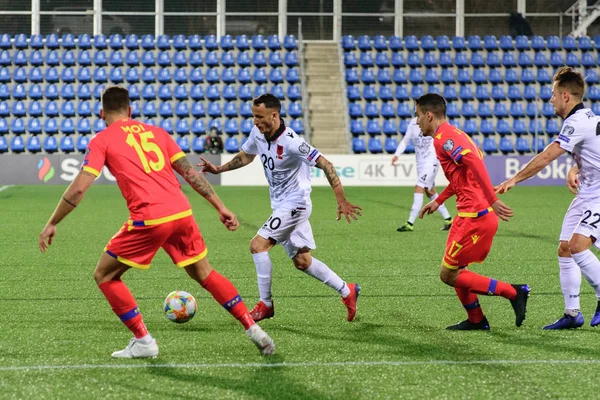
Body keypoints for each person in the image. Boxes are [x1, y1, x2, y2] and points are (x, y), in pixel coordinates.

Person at [38, 86, 275, 358]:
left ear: (102, 113)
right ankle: (252, 328)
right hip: (181, 213)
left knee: (105, 275)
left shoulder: (101, 139)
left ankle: (143, 340)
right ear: (130, 110)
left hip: (149, 217)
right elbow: (189, 173)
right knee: (205, 273)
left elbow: (79, 188)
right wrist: (220, 207)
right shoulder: (158, 133)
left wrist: (52, 222)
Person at [199, 93, 362, 322]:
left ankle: (265, 304)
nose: (255, 121)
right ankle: (347, 290)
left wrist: (341, 200)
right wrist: (219, 169)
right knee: (302, 262)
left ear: (274, 115)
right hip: (280, 204)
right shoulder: (258, 132)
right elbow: (247, 155)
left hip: (296, 204)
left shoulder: (293, 142)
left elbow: (326, 164)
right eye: (253, 116)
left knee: (258, 245)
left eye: (259, 116)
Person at [496, 67, 600, 330]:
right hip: (587, 193)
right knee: (565, 248)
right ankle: (572, 313)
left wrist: (513, 179)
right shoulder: (587, 118)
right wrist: (577, 168)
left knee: (578, 246)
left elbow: (546, 156)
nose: (550, 99)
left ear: (566, 96)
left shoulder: (576, 122)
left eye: (553, 94)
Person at [416, 93, 530, 330]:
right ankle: (476, 320)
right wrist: (439, 201)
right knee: (458, 269)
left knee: (448, 275)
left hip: (475, 217)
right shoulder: (455, 134)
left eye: (417, 116)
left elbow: (476, 165)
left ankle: (513, 292)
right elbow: (462, 177)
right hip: (472, 214)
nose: (417, 122)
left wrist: (492, 199)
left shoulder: (442, 138)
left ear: (429, 115)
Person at [392, 116, 453, 232]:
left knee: (419, 187)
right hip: (420, 162)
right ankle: (448, 219)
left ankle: (410, 223)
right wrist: (397, 154)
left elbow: (443, 138)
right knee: (430, 191)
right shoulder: (413, 123)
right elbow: (406, 140)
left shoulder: (432, 122)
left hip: (432, 161)